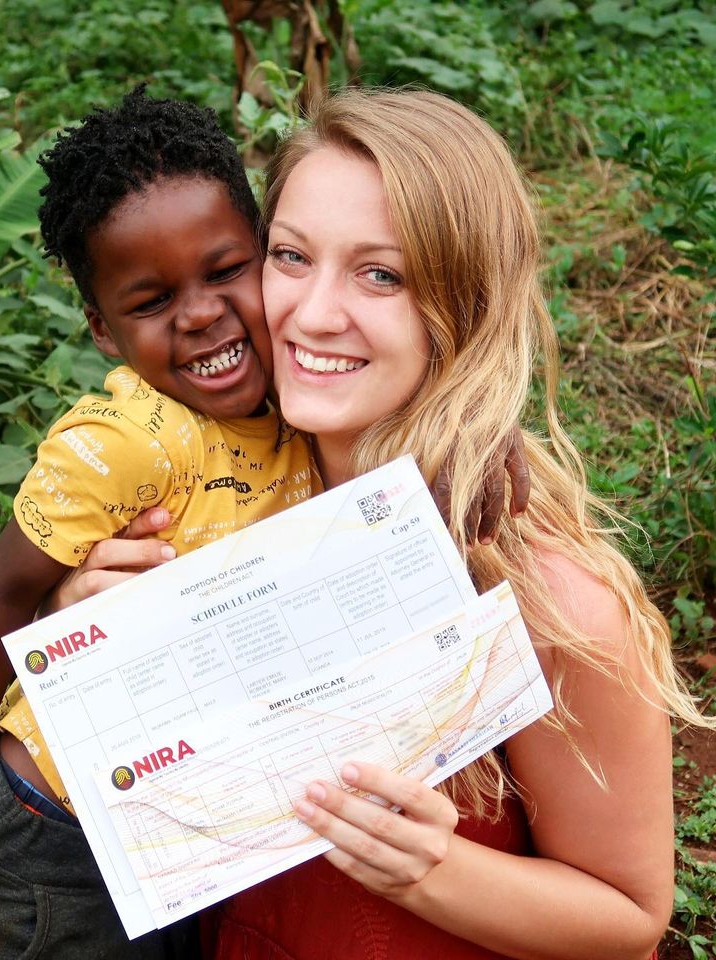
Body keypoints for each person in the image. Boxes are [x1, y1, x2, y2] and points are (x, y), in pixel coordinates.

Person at [0, 86, 522, 960]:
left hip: (180, 835)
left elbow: (404, 387)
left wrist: (482, 428)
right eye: (150, 300)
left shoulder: (294, 399)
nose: (203, 312)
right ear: (101, 329)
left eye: (226, 271)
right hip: (39, 839)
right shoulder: (125, 443)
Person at [60, 88, 712, 960]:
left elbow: (631, 920)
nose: (314, 312)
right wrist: (87, 614)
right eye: (290, 256)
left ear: (465, 304)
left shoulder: (549, 600)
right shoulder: (212, 504)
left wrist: (430, 866)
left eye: (381, 274)